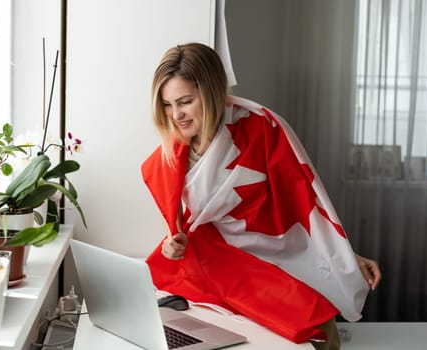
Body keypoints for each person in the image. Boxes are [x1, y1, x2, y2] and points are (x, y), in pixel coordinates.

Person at [141, 42, 381, 350]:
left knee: (313, 328)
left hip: (275, 257)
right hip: (221, 263)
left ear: (212, 92)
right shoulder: (172, 152)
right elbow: (183, 226)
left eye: (185, 102)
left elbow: (304, 203)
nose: (176, 115)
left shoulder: (261, 129)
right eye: (167, 104)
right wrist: (172, 245)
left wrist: (343, 257)